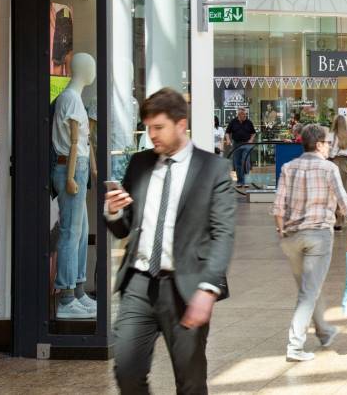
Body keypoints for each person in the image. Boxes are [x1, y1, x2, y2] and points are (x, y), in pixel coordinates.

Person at [105, 88, 236, 395]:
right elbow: (125, 228)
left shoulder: (212, 169)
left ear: (181, 124)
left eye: (159, 127)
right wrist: (113, 212)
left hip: (186, 287)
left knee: (190, 382)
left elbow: (223, 234)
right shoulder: (139, 164)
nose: (152, 135)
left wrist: (208, 288)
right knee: (126, 371)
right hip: (138, 283)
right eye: (149, 128)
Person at [270, 124, 347, 363]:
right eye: (327, 143)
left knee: (310, 288)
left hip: (291, 238)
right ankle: (295, 346)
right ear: (319, 144)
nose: (329, 146)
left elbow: (278, 205)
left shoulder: (288, 167)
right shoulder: (328, 168)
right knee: (308, 292)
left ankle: (324, 332)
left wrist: (281, 229)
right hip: (318, 238)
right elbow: (343, 201)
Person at [328, 115, 347, 232]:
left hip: (333, 163)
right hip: (346, 165)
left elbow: (330, 153)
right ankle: (342, 220)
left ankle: (334, 220)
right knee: (345, 192)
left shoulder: (330, 136)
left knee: (333, 193)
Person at [225, 107, 256, 187]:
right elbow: (227, 132)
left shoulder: (249, 122)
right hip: (236, 144)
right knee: (237, 163)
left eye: (245, 114)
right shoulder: (233, 122)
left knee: (245, 162)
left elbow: (253, 133)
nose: (244, 116)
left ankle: (246, 181)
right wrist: (228, 140)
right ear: (239, 115)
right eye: (243, 115)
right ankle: (240, 181)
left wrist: (251, 140)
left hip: (246, 144)